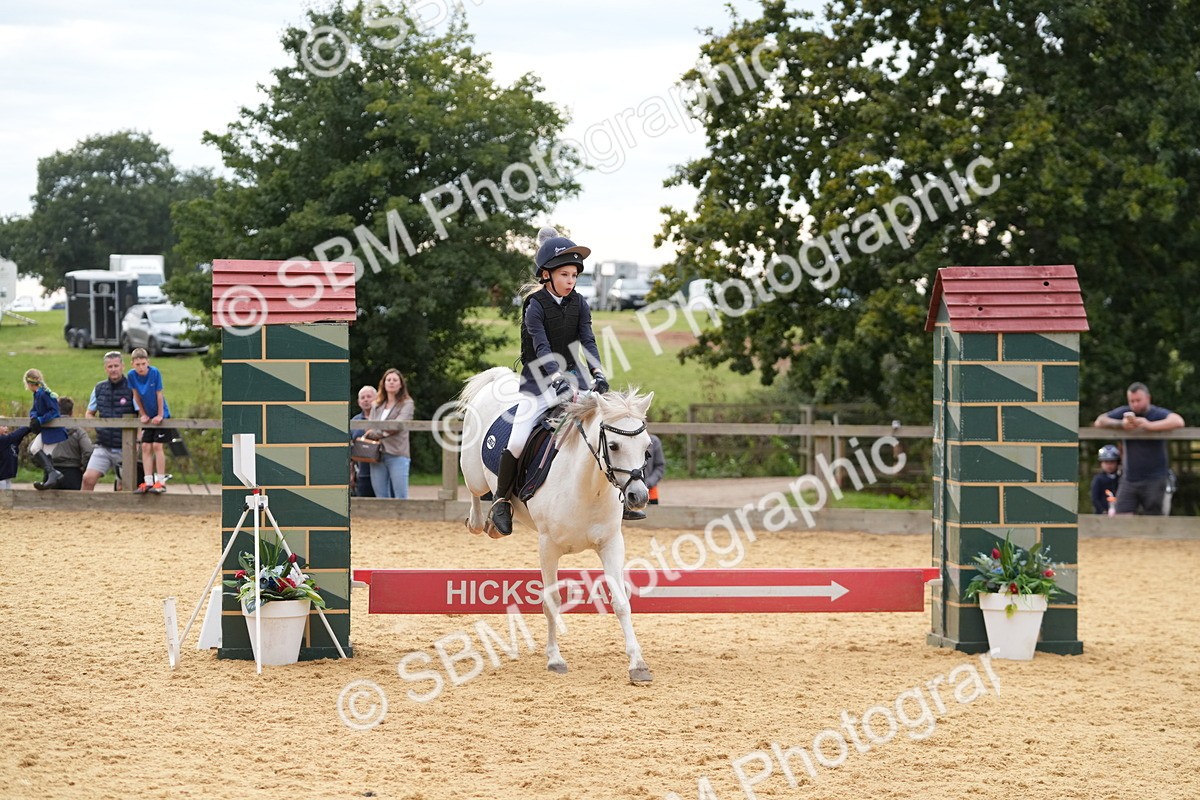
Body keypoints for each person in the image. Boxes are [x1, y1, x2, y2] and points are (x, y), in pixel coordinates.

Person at [489, 226, 609, 535]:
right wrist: (555, 377)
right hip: (538, 384)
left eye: (574, 276)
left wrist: (598, 372)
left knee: (604, 426)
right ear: (547, 275)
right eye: (565, 275)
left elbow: (588, 340)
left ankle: (616, 496)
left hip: (573, 379)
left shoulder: (580, 303)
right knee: (517, 440)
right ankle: (501, 501)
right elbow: (541, 346)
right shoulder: (535, 306)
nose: (570, 281)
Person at [1093, 382, 1185, 515]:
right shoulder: (1125, 412)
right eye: (1132, 401)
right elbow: (1100, 421)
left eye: (1138, 400)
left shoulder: (1156, 413)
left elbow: (1178, 421)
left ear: (1148, 398)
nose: (1135, 404)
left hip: (1155, 478)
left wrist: (1149, 426)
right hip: (1129, 479)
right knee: (1121, 517)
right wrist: (1121, 425)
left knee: (1153, 520)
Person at [82, 351, 138, 492]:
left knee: (124, 485)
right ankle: (82, 510)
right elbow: (89, 413)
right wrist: (98, 427)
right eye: (110, 366)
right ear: (105, 368)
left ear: (122, 366)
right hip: (104, 445)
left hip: (126, 446)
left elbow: (140, 415)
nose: (113, 369)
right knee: (88, 478)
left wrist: (138, 441)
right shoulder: (99, 389)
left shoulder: (133, 388)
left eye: (116, 366)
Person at [361, 369, 414, 499]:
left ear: (401, 384)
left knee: (401, 496)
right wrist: (382, 432)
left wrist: (377, 433)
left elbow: (398, 424)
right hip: (376, 455)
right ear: (383, 384)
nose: (391, 382)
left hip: (397, 454)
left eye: (395, 380)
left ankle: (403, 519)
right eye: (388, 380)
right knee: (381, 496)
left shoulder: (407, 403)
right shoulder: (376, 405)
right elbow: (368, 428)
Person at [127, 347, 171, 493]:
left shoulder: (154, 373)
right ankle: (148, 481)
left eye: (143, 364)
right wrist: (143, 414)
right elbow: (136, 396)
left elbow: (159, 394)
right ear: (132, 364)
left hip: (160, 413)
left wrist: (160, 415)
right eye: (137, 364)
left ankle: (161, 481)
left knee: (157, 446)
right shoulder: (132, 376)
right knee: (145, 446)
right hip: (147, 415)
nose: (140, 367)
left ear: (148, 362)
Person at [25, 368, 68, 490]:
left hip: (54, 431)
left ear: (28, 384)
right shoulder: (37, 394)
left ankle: (50, 480)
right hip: (46, 431)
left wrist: (40, 420)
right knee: (34, 448)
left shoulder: (44, 394)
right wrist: (34, 417)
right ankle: (53, 476)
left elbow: (55, 412)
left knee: (47, 456)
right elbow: (34, 409)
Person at [48, 397, 95, 491]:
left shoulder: (48, 429)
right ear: (71, 412)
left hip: (51, 471)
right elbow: (88, 451)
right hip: (73, 472)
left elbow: (32, 450)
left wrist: (45, 465)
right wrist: (84, 467)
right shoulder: (78, 431)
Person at [623, 433, 665, 521]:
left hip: (649, 490)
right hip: (626, 488)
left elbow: (659, 467)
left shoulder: (654, 441)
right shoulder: (623, 441)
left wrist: (648, 483)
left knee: (653, 520)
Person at [350, 384, 377, 498]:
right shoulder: (354, 422)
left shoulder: (383, 419)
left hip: (381, 471)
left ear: (376, 399)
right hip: (361, 474)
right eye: (363, 397)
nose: (366, 400)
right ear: (358, 401)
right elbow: (349, 449)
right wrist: (351, 474)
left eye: (369, 396)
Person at [1089, 444, 1120, 515]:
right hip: (1101, 515)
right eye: (1106, 462)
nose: (1109, 465)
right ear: (1101, 463)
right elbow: (1095, 498)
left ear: (1117, 463)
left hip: (1118, 514)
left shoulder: (1121, 478)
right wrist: (1102, 511)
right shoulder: (1098, 479)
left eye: (1112, 462)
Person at [0, 423, 31, 490]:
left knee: (7, 497)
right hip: (1, 478)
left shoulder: (10, 441)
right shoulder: (3, 440)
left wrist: (30, 427)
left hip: (7, 476)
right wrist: (28, 425)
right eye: (3, 426)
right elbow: (16, 435)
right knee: (3, 497)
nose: (6, 428)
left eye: (6, 426)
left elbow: (20, 435)